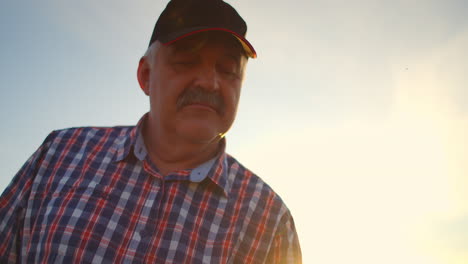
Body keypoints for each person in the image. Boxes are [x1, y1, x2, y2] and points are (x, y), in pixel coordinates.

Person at [0, 0, 302, 263]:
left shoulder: (268, 220)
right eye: (186, 61)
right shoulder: (60, 155)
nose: (210, 83)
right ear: (146, 76)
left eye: (227, 70)